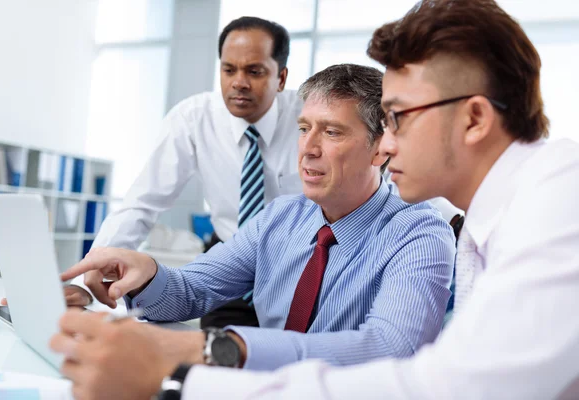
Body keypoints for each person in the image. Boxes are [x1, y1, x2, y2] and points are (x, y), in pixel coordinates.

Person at [104, 0, 579, 398]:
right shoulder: (489, 225)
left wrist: (205, 360)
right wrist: (147, 278)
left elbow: (439, 380)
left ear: (474, 119)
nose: (388, 145)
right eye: (305, 129)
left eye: (398, 118)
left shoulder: (556, 198)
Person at [49, 63, 456, 399]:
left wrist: (226, 349)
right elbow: (191, 290)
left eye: (331, 132)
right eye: (303, 128)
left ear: (379, 146)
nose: (308, 147)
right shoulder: (280, 217)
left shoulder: (419, 232)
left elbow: (389, 349)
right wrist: (146, 275)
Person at [68, 16, 304, 329]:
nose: (239, 82)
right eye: (229, 69)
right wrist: (89, 278)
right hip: (231, 261)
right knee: (212, 357)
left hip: (298, 265)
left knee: (295, 359)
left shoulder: (309, 117)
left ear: (282, 77)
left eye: (255, 71)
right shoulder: (194, 118)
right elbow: (142, 203)